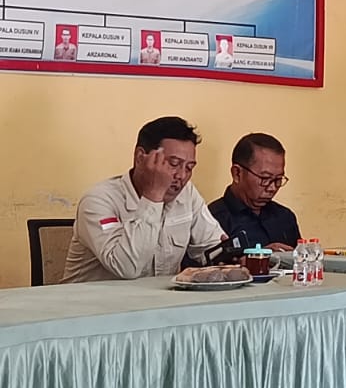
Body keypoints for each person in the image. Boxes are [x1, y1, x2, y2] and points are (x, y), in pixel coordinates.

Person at [63, 116, 226, 282]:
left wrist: (230, 257)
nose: (182, 176)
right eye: (173, 164)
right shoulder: (98, 200)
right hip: (95, 298)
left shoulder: (187, 193)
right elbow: (126, 268)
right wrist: (154, 195)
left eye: (189, 168)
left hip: (159, 297)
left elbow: (214, 247)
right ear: (140, 157)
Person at [209, 133, 301, 251]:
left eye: (278, 179)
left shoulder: (285, 217)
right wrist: (258, 257)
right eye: (265, 178)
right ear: (237, 173)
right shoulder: (212, 220)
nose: (272, 188)